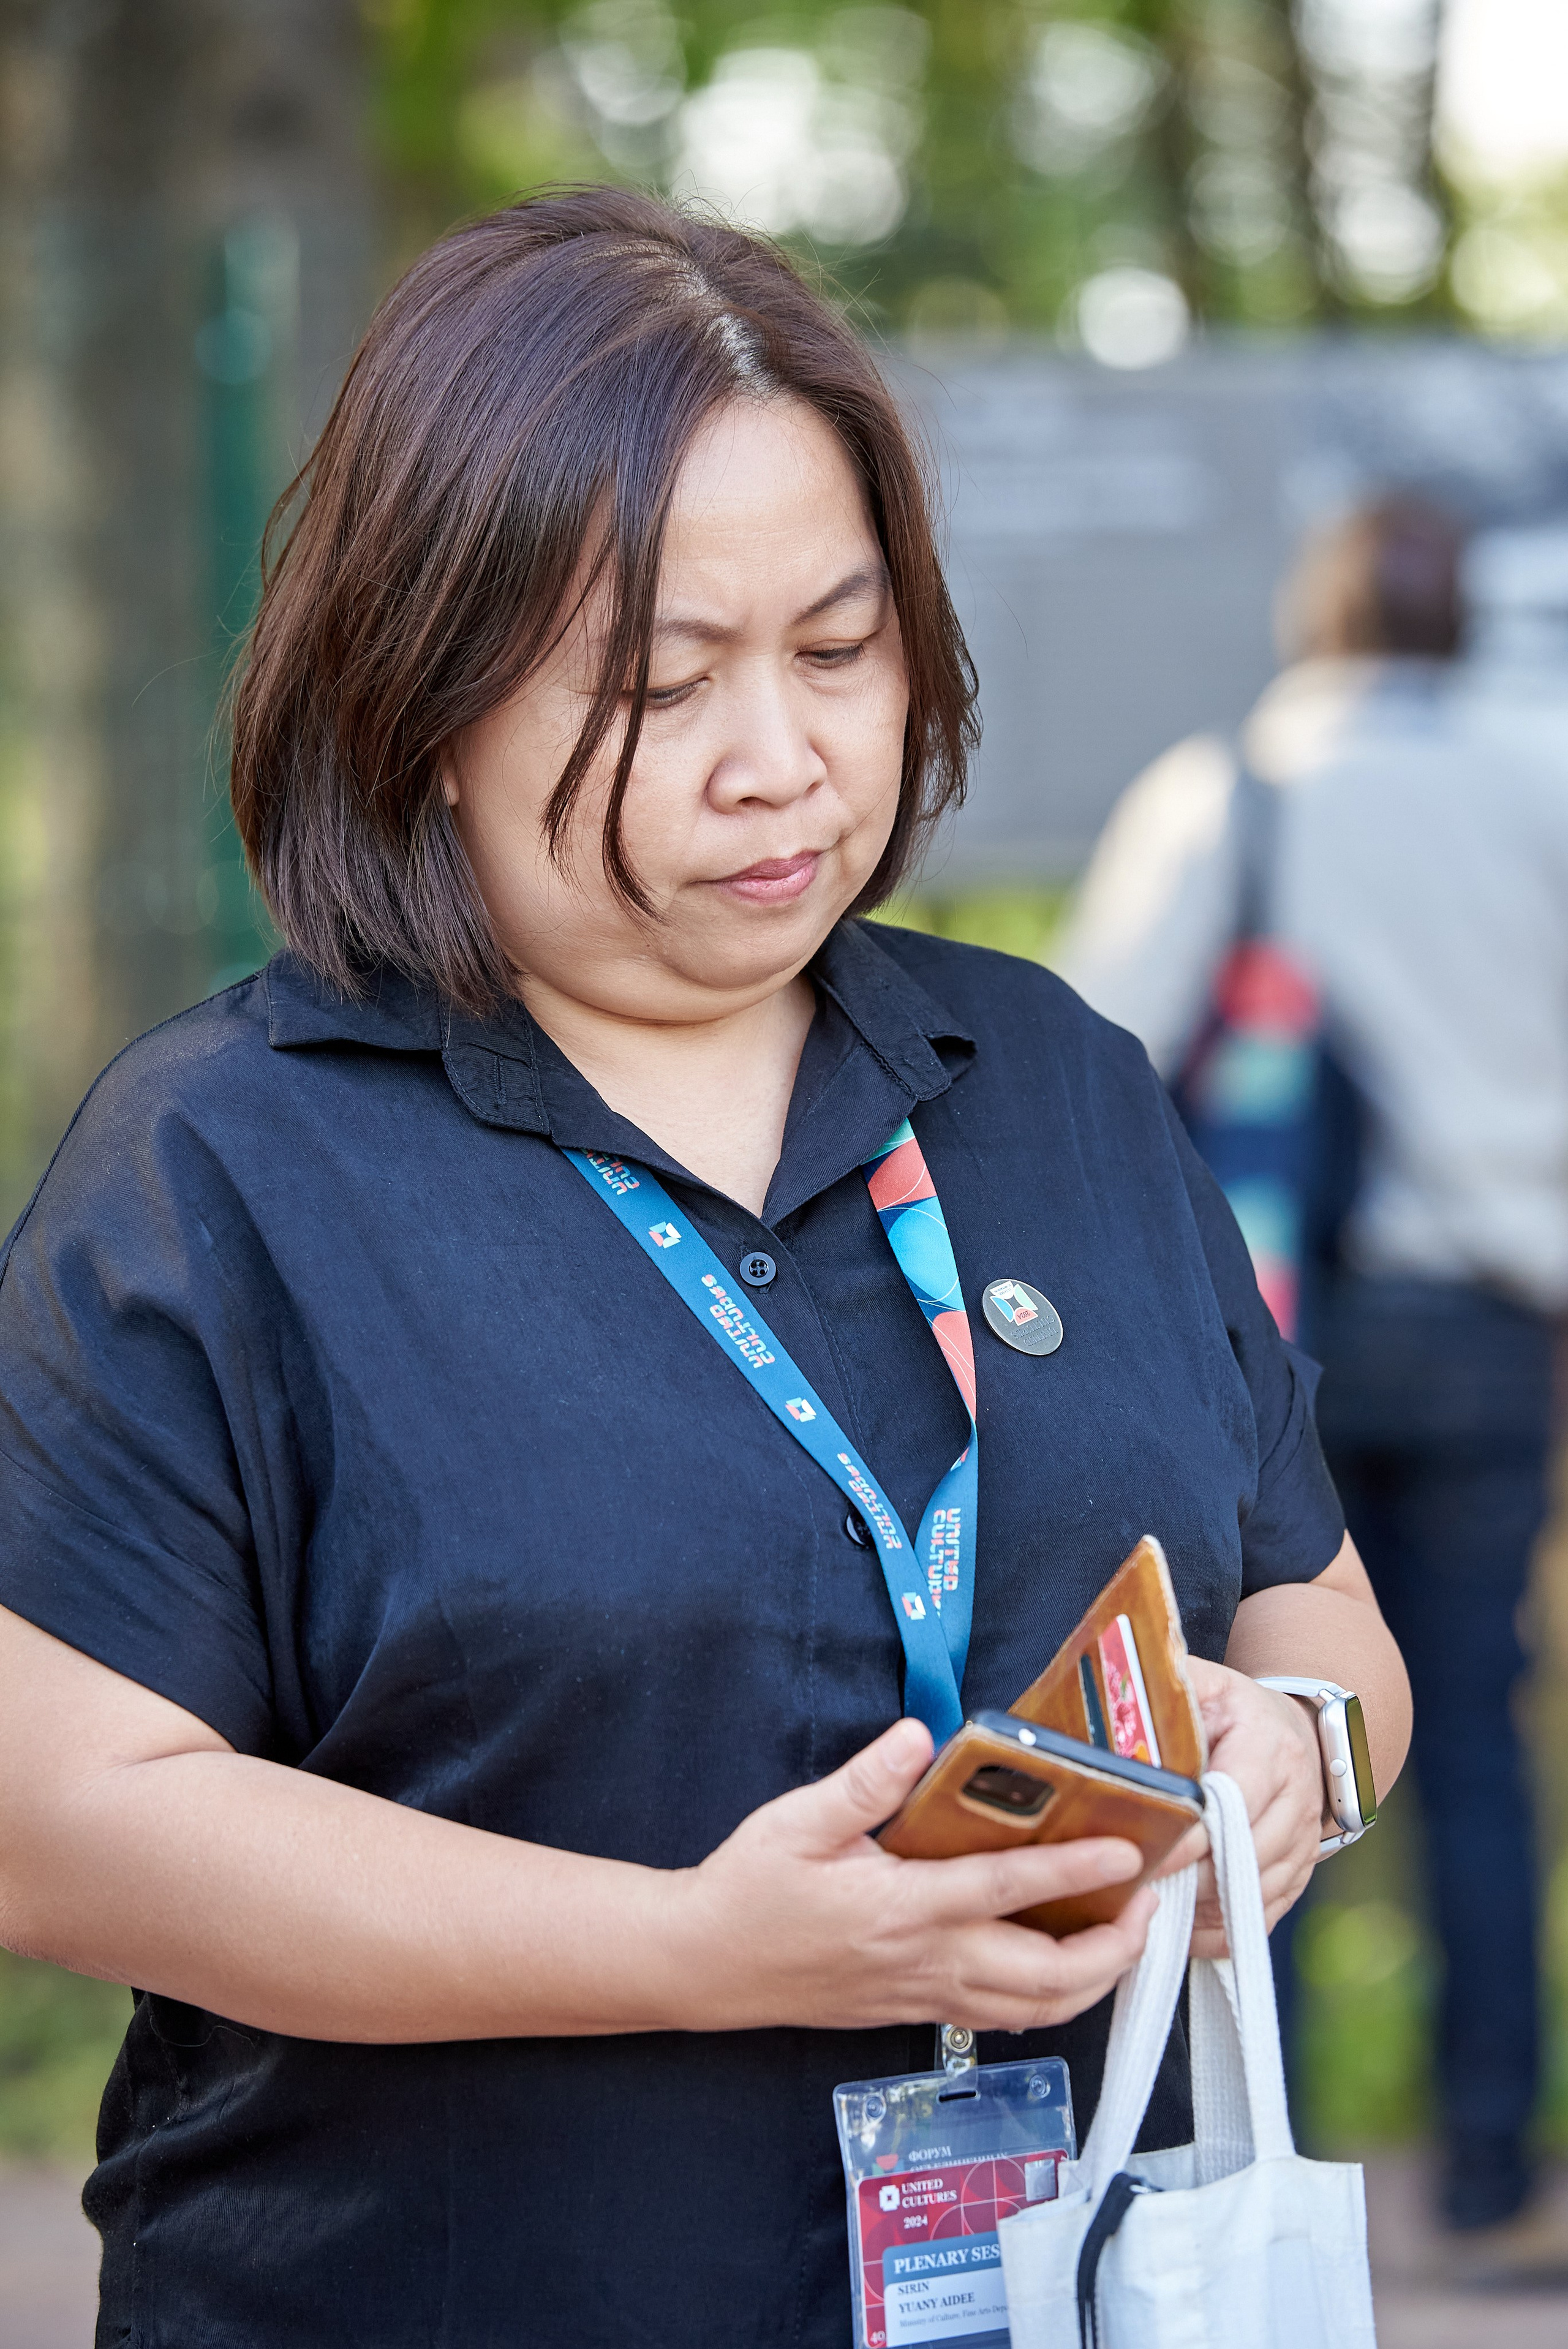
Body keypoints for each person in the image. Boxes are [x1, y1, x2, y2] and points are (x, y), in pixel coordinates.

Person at [0, 190, 1408, 2347]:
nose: (786, 760)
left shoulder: (1058, 1082)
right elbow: (61, 1827)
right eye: (658, 685)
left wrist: (1299, 1746)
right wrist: (704, 1946)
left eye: (839, 651)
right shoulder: (222, 1163)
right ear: (421, 696)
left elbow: (1320, 1609)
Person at [1060, 496, 1564, 2234]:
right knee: (1478, 1736)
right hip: (1508, 1318)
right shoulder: (1544, 787)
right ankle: (1493, 2170)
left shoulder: (1234, 789)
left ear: (1316, 614)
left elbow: (1091, 1060)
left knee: (1259, 1733)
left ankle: (1269, 2161)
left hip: (1279, 1339)